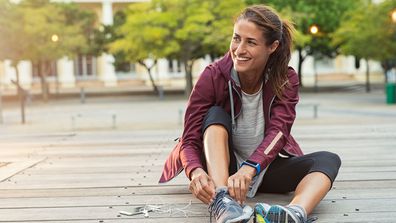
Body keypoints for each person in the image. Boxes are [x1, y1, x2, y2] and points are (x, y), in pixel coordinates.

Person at [159, 5, 341, 223]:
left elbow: (279, 132)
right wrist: (195, 171)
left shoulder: (285, 79)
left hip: (263, 168)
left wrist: (250, 168)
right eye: (236, 38)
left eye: (251, 42)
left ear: (272, 46)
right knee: (215, 115)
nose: (239, 49)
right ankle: (223, 201)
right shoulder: (213, 75)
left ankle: (295, 213)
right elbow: (189, 138)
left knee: (328, 160)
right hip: (224, 172)